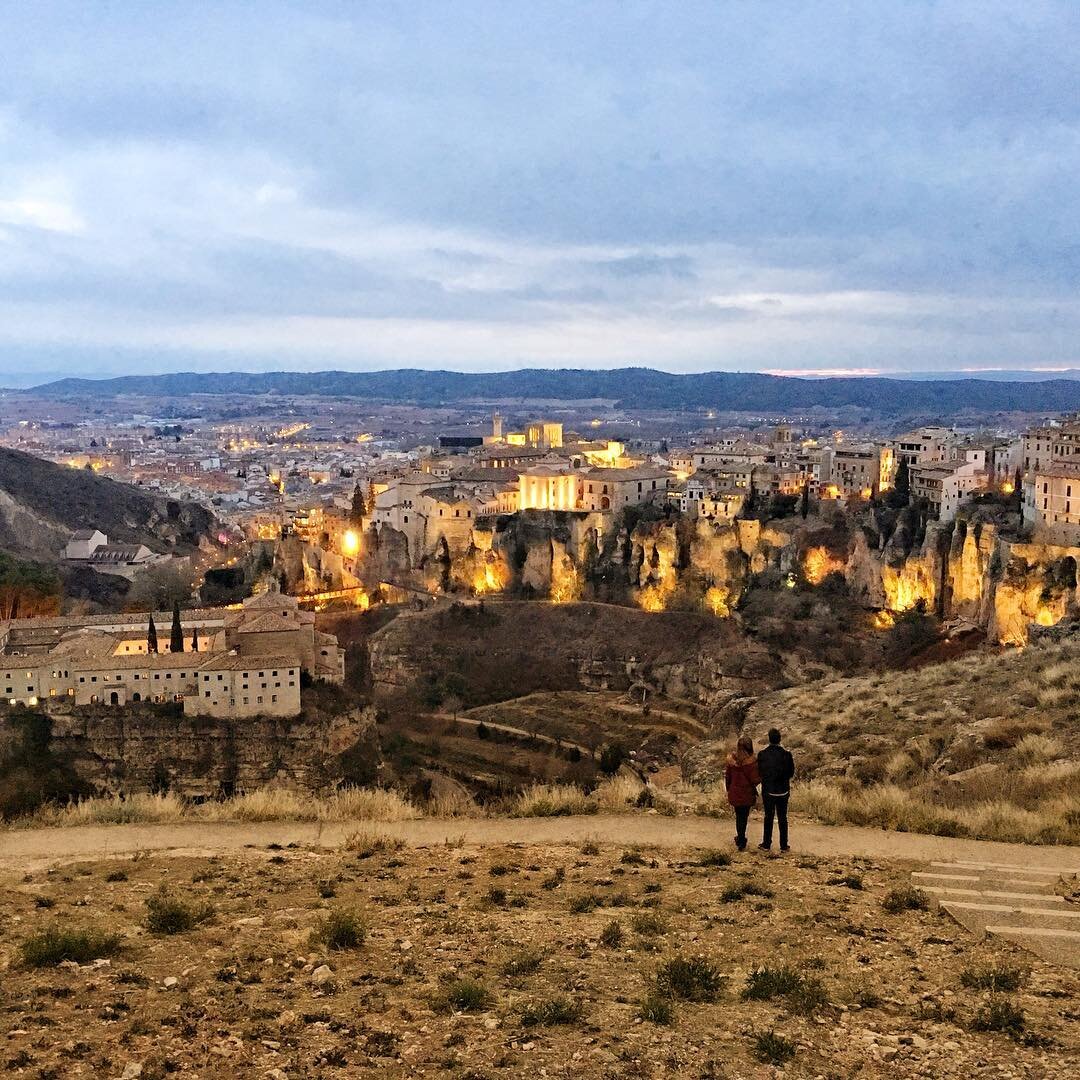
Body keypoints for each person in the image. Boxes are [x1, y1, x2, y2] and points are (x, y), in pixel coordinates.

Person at [757, 727, 795, 852]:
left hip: (769, 790)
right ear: (780, 739)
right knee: (783, 817)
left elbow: (760, 772)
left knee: (768, 816)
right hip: (783, 790)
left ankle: (766, 843)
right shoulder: (787, 755)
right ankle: (784, 845)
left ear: (769, 739)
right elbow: (791, 773)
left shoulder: (763, 754)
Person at [724, 735, 761, 851]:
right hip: (747, 794)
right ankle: (741, 839)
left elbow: (728, 777)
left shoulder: (732, 761)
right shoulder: (752, 762)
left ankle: (740, 838)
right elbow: (756, 780)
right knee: (743, 817)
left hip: (735, 793)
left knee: (739, 816)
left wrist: (728, 789)